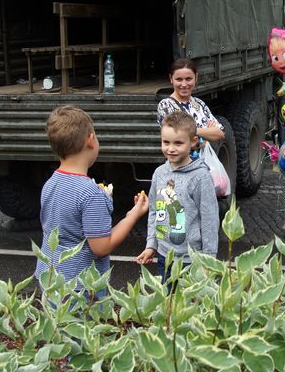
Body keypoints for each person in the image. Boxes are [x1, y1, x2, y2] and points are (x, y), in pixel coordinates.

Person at [35, 106, 149, 294]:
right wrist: (132, 215)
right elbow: (101, 247)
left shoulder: (51, 183)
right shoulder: (90, 193)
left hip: (49, 278)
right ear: (90, 139)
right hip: (81, 288)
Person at [135, 111, 218, 288]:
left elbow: (209, 219)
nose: (171, 148)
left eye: (178, 143)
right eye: (166, 142)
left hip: (191, 259)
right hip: (164, 255)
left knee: (189, 302)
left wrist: (209, 259)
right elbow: (154, 211)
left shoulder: (201, 177)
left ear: (193, 142)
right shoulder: (159, 173)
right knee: (167, 301)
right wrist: (151, 245)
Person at [156, 58, 225, 144]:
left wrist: (193, 132)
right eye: (179, 79)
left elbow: (220, 133)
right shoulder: (165, 106)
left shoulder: (199, 103)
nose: (184, 84)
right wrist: (207, 134)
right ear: (171, 79)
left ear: (196, 78)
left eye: (188, 79)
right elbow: (176, 140)